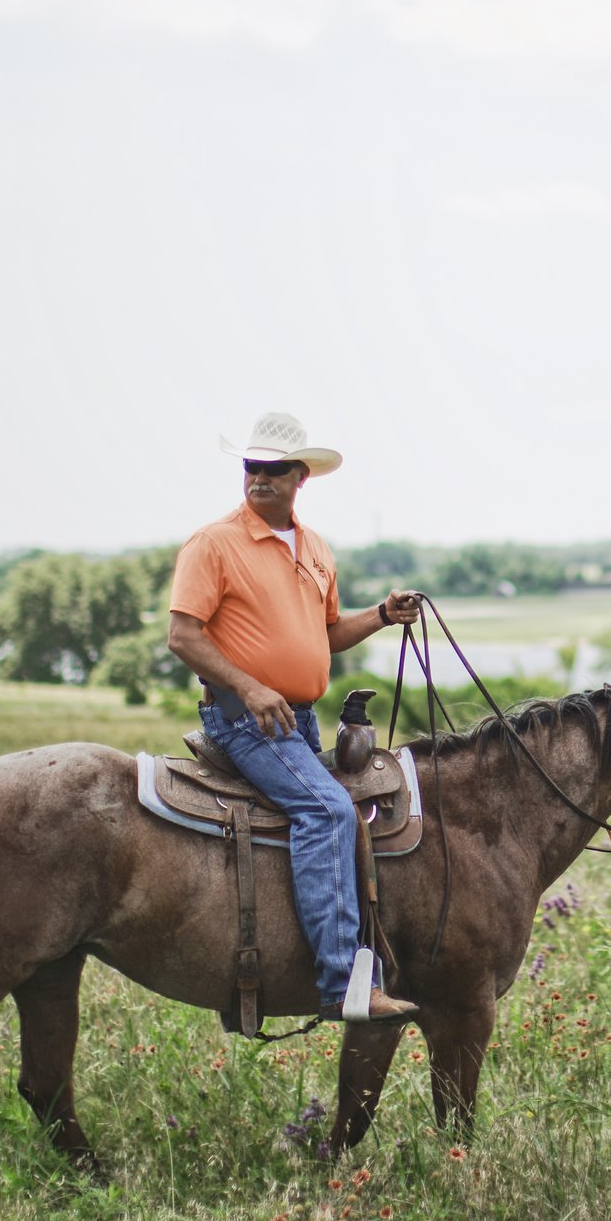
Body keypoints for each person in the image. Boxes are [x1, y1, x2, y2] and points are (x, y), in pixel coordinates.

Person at [165, 412, 424, 1025]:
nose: (259, 478)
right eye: (252, 467)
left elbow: (328, 634)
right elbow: (183, 635)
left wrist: (383, 614)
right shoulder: (214, 543)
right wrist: (250, 687)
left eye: (274, 469)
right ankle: (341, 984)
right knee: (327, 810)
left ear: (300, 477)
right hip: (246, 720)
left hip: (300, 721)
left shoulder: (314, 548)